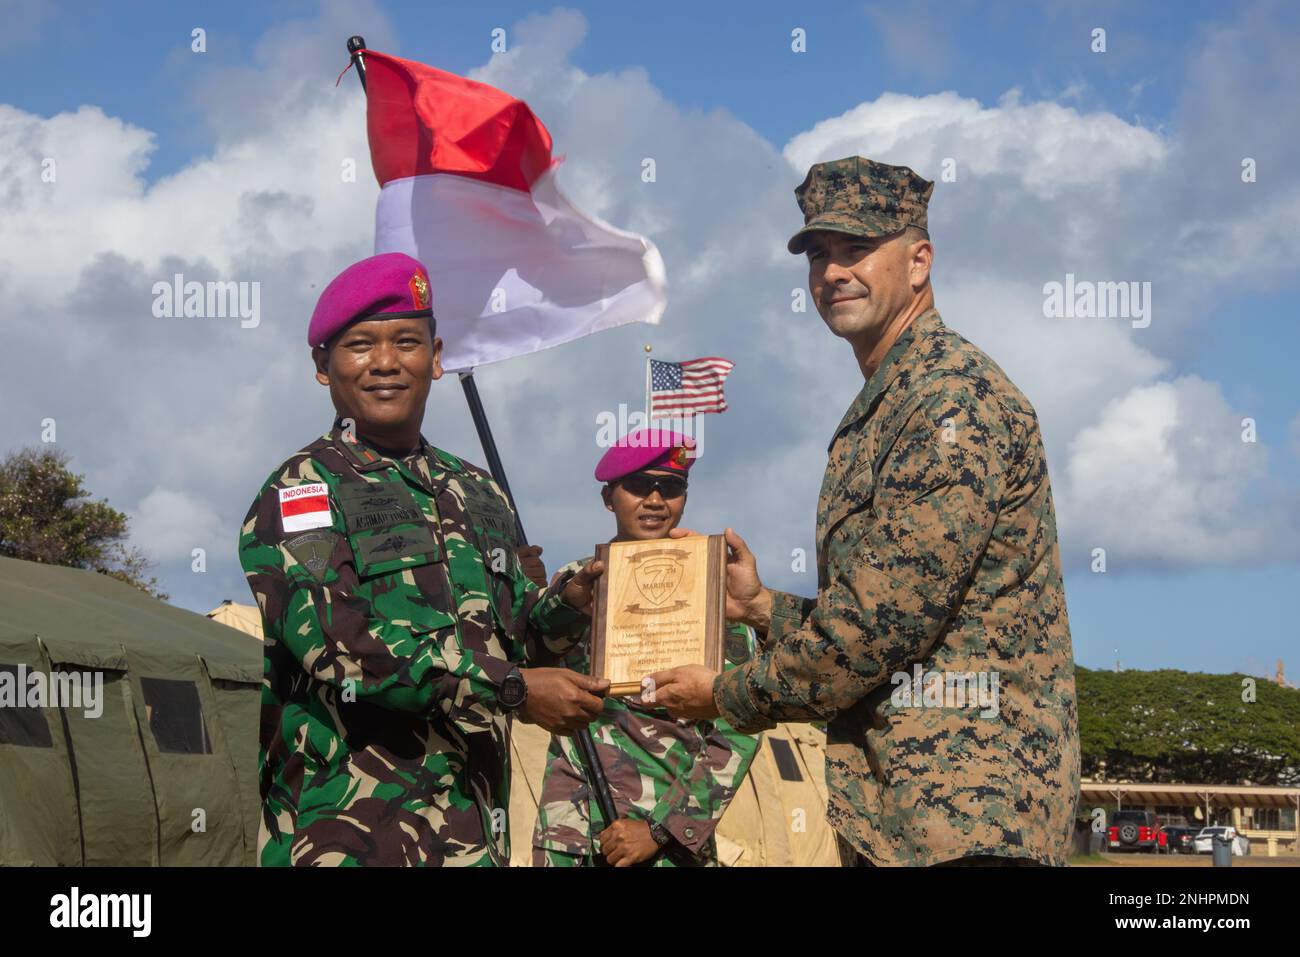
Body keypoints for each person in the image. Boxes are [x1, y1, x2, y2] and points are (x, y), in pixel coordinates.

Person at [645, 157, 1081, 867]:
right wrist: (760, 607)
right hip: (911, 819)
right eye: (819, 255)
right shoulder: (894, 399)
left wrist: (726, 693)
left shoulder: (949, 401)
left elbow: (876, 628)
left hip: (972, 820)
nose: (832, 273)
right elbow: (887, 609)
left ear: (918, 262)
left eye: (856, 249)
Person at [238, 252, 608, 866]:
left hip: (472, 836)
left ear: (435, 358)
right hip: (348, 838)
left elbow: (518, 642)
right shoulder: (302, 489)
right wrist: (512, 688)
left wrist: (571, 603)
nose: (385, 362)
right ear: (322, 366)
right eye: (360, 345)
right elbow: (338, 644)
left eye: (407, 342)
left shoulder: (479, 490)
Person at [531, 429, 760, 867]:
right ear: (608, 497)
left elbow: (738, 728)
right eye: (638, 486)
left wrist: (662, 830)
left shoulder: (714, 593)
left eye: (671, 488)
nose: (655, 500)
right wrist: (549, 601)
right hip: (569, 835)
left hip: (665, 845)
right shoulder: (578, 582)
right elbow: (529, 661)